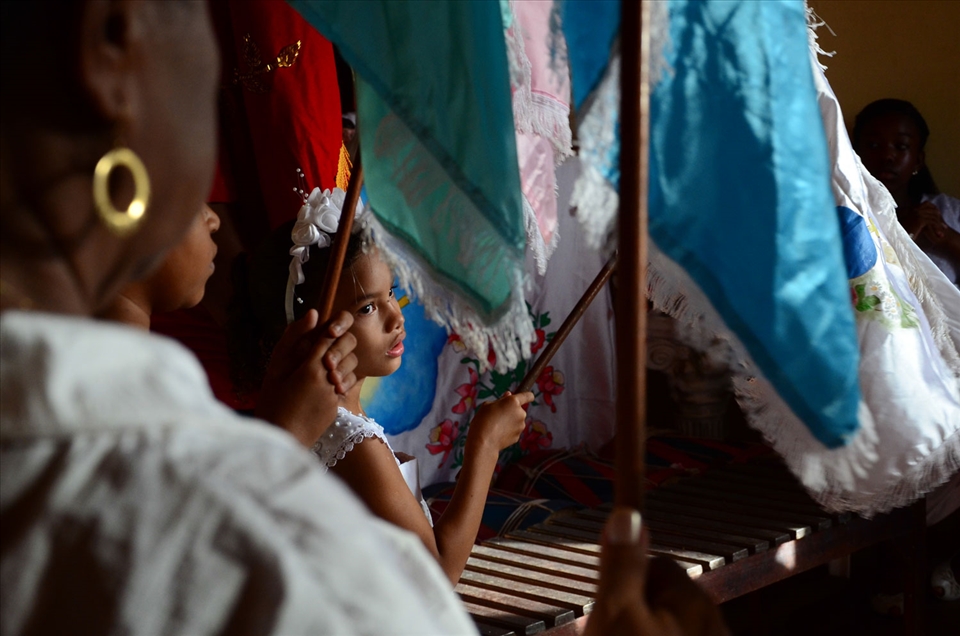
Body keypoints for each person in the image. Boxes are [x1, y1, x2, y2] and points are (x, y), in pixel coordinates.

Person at [0, 1, 726, 635]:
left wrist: (277, 443)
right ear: (111, 66)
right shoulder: (247, 518)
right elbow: (425, 587)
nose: (224, 216)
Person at [236, 192, 534, 584]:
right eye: (367, 308)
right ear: (308, 325)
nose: (396, 316)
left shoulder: (326, 421)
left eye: (391, 293)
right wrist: (485, 446)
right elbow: (438, 575)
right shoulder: (351, 441)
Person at [852, 99, 960, 286]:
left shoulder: (949, 211)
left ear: (918, 160)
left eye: (901, 147)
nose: (887, 156)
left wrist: (948, 239)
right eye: (874, 146)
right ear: (856, 154)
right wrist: (903, 236)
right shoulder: (845, 215)